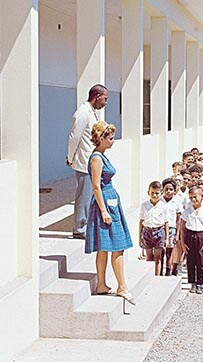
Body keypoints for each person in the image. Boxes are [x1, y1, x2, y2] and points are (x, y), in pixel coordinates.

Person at [84, 121, 135, 305]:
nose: (113, 141)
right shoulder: (97, 158)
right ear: (101, 138)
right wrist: (104, 211)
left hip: (111, 201)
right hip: (105, 203)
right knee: (116, 246)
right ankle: (122, 287)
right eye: (110, 138)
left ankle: (102, 284)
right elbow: (96, 186)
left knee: (105, 247)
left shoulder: (101, 156)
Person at [68, 84, 109, 239]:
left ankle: (86, 225)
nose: (105, 103)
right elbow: (74, 137)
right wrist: (70, 158)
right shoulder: (83, 113)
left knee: (90, 195)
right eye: (105, 99)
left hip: (91, 161)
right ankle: (79, 228)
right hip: (83, 161)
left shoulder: (91, 113)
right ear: (97, 96)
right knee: (83, 196)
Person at [180, 186, 203, 293]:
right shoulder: (187, 211)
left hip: (201, 236)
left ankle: (200, 282)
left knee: (200, 260)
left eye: (195, 197)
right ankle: (192, 283)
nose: (193, 200)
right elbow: (183, 227)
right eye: (191, 198)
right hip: (190, 235)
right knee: (190, 261)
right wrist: (183, 242)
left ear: (201, 197)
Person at [139, 181, 169, 277]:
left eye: (157, 193)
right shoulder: (144, 205)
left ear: (161, 193)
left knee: (158, 258)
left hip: (159, 232)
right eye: (152, 193)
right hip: (147, 232)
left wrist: (167, 238)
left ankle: (156, 277)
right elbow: (141, 221)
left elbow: (166, 222)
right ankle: (149, 277)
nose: (154, 195)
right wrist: (139, 237)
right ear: (148, 193)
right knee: (148, 257)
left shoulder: (163, 206)